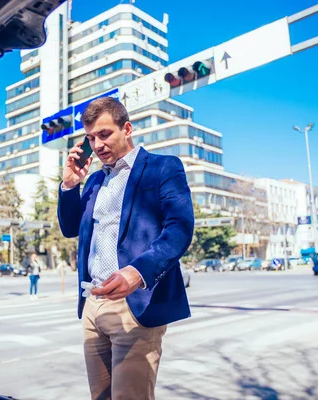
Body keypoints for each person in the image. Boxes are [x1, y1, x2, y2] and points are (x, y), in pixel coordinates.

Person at [58, 97, 194, 400]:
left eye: (104, 134)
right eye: (91, 138)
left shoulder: (162, 168)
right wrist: (69, 186)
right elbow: (70, 229)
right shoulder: (93, 181)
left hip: (135, 304)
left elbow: (179, 229)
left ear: (127, 128)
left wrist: (138, 272)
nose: (97, 144)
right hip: (92, 304)